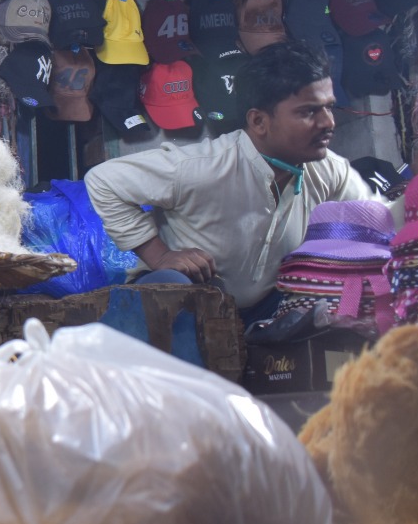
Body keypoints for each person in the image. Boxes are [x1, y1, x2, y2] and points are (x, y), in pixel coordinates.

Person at [86, 40, 388, 325]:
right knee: (172, 286)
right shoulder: (201, 167)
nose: (328, 123)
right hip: (190, 308)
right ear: (258, 122)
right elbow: (102, 181)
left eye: (328, 107)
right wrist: (160, 255)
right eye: (308, 112)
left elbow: (378, 224)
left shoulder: (328, 169)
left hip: (266, 308)